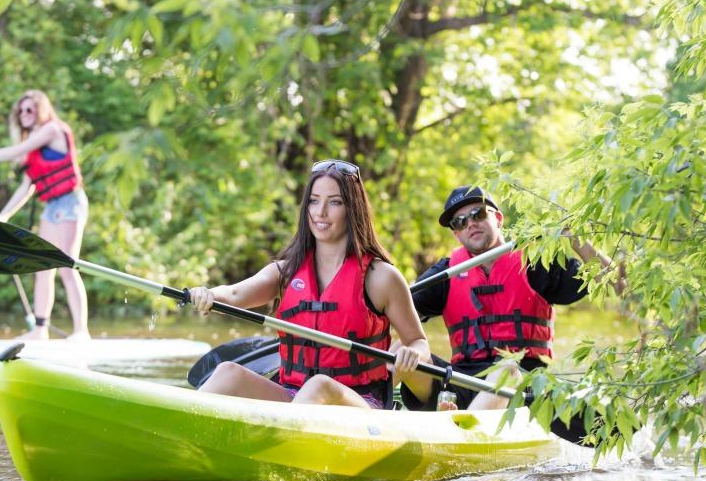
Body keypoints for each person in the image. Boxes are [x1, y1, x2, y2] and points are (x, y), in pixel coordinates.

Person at [188, 159, 433, 408]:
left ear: (352, 208)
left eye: (334, 202)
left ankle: (279, 440)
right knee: (228, 372)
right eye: (314, 201)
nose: (320, 212)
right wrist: (209, 295)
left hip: (361, 403)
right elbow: (234, 293)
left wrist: (411, 354)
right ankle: (179, 430)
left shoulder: (380, 277)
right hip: (293, 396)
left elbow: (418, 342)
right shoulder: (287, 271)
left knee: (319, 385)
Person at [400, 185, 624, 411]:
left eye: (478, 214)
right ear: (456, 234)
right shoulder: (447, 272)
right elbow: (395, 310)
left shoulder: (536, 262)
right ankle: (370, 411)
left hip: (522, 384)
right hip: (460, 381)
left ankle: (460, 427)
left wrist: (577, 239)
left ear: (498, 218)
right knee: (402, 350)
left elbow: (616, 283)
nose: (470, 224)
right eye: (459, 222)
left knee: (505, 368)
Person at [0, 90, 90, 341]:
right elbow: (26, 187)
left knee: (67, 267)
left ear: (42, 110)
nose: (25, 114)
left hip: (70, 203)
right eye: (21, 111)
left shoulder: (52, 131)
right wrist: (4, 215)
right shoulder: (35, 151)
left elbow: (14, 150)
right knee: (43, 268)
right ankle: (40, 330)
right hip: (51, 207)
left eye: (30, 109)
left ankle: (81, 332)